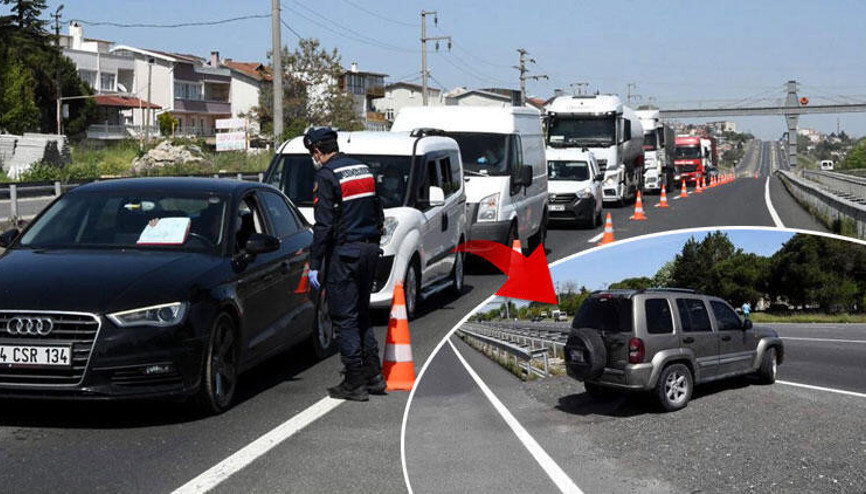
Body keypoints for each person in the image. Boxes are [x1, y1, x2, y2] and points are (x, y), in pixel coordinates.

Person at [305, 127, 385, 401]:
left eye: (312, 153)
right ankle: (373, 375)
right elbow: (378, 210)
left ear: (317, 151)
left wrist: (315, 262)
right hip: (370, 249)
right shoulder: (362, 168)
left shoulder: (326, 176)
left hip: (345, 253)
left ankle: (354, 381)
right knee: (362, 313)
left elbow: (324, 225)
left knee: (344, 319)